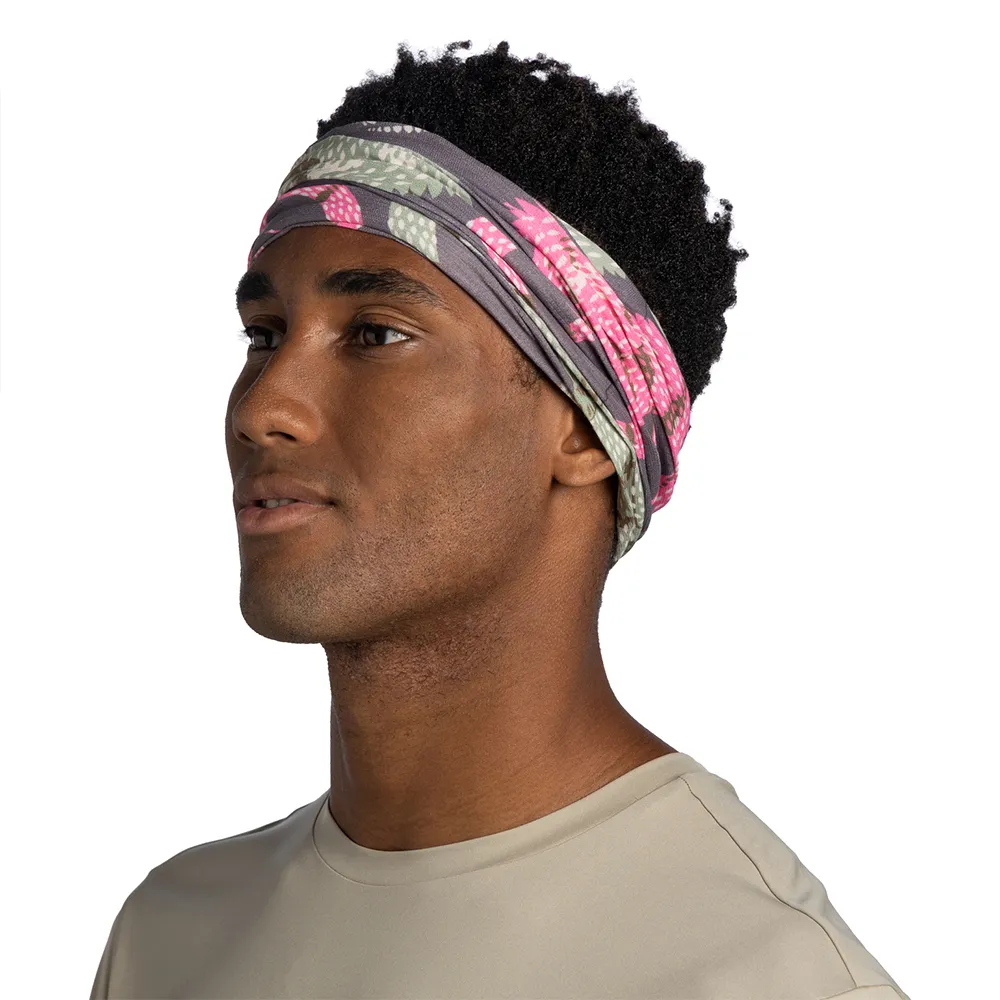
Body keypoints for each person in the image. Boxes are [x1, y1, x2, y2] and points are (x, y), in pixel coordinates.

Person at [89, 40, 909, 1000]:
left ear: (586, 431)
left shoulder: (759, 974)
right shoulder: (173, 936)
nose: (264, 406)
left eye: (375, 334)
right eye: (263, 336)